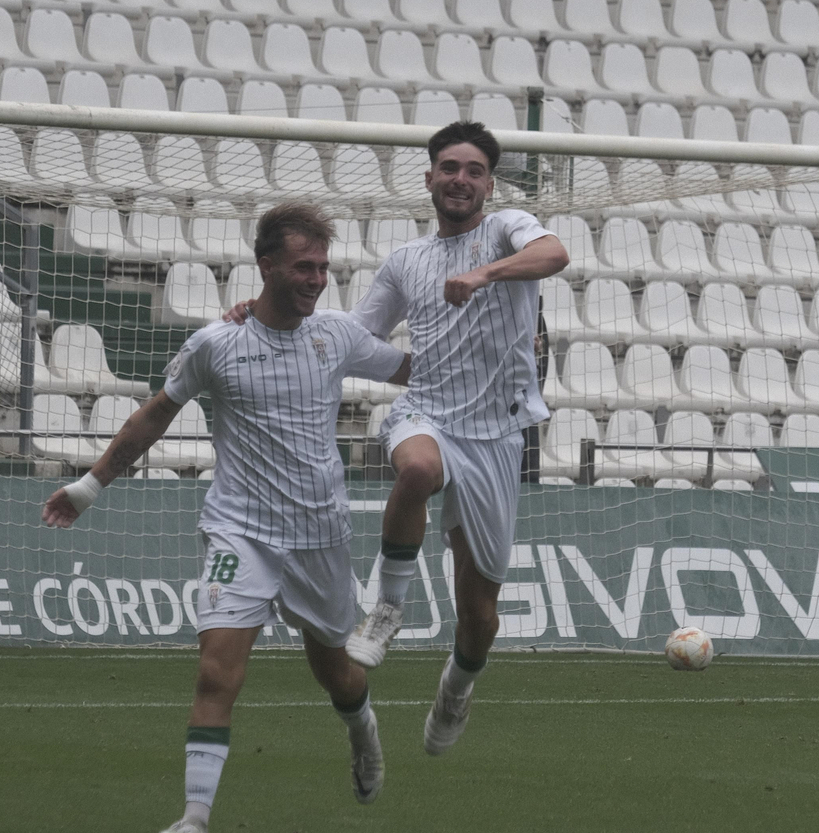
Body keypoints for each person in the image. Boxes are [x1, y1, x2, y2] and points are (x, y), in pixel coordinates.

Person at [43, 203, 412, 833]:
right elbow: (156, 414)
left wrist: (494, 354)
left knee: (337, 674)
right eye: (303, 266)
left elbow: (411, 370)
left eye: (323, 267)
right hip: (238, 533)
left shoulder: (336, 336)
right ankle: (195, 821)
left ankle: (362, 729)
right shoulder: (217, 343)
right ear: (266, 266)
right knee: (217, 671)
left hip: (319, 537)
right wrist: (90, 485)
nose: (317, 279)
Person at [228, 120, 569, 756]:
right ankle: (386, 609)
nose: (461, 179)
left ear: (489, 185)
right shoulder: (407, 262)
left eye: (474, 171)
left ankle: (457, 687)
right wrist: (262, 312)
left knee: (479, 616)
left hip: (497, 434)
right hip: (427, 411)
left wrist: (486, 275)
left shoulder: (507, 228)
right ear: (429, 177)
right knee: (415, 469)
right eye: (450, 168)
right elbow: (355, 336)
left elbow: (555, 255)